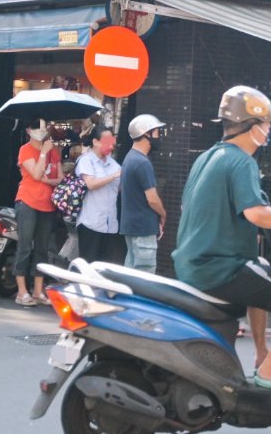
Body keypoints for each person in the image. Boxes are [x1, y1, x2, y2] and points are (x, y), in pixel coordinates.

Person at [173, 86, 271, 394]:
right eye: (267, 124)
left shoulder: (209, 157)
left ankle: (262, 354)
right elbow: (257, 213)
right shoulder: (242, 162)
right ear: (253, 127)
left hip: (193, 265)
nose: (269, 132)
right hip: (218, 269)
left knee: (262, 264)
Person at [13, 118, 63, 307]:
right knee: (25, 245)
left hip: (47, 202)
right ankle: (22, 291)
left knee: (42, 248)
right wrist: (43, 153)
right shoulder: (25, 149)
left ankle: (37, 290)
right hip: (28, 200)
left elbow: (59, 177)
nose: (42, 132)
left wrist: (48, 181)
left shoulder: (54, 151)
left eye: (44, 128)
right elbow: (35, 174)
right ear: (29, 130)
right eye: (38, 128)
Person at [120, 114, 167, 274]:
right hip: (143, 227)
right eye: (156, 132)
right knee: (144, 275)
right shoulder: (142, 162)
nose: (158, 136)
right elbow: (152, 199)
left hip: (131, 225)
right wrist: (163, 214)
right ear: (146, 133)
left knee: (131, 273)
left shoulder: (129, 158)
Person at [75, 125, 125, 264]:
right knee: (88, 266)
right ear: (96, 142)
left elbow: (119, 188)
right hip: (91, 223)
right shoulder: (86, 160)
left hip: (110, 224)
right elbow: (91, 184)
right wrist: (114, 176)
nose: (111, 145)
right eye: (107, 141)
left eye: (112, 142)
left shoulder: (113, 163)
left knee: (105, 267)